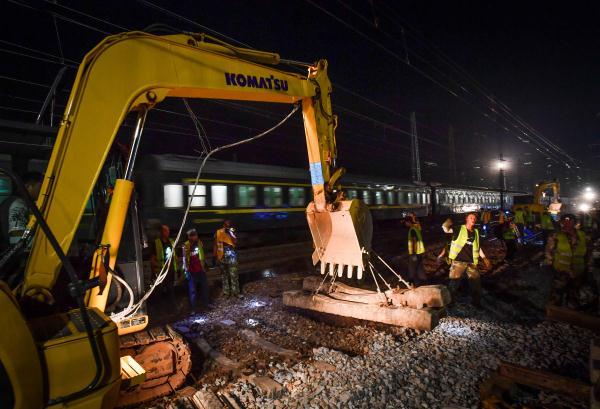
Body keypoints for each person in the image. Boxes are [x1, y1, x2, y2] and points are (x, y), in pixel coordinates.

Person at [447, 213, 492, 307]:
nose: (473, 219)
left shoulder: (476, 232)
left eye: (475, 218)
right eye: (471, 217)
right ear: (466, 219)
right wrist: (447, 223)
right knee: (454, 284)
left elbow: (477, 247)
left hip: (471, 262)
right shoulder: (459, 229)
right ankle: (449, 303)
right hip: (458, 261)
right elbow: (446, 230)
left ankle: (476, 303)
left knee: (476, 284)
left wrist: (484, 258)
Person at [543, 214, 588, 306]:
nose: (567, 224)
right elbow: (549, 251)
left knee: (575, 299)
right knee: (556, 298)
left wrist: (588, 267)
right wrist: (549, 264)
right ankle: (553, 316)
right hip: (561, 272)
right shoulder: (555, 235)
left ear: (575, 223)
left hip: (578, 272)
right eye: (564, 222)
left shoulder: (583, 235)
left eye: (570, 221)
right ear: (561, 223)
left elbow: (588, 252)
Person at [1, 171, 43, 252]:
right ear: (28, 186)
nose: (42, 190)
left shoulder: (15, 202)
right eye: (40, 186)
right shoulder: (18, 205)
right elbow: (17, 239)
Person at [150, 224, 179, 302]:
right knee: (159, 291)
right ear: (161, 232)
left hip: (171, 271)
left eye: (168, 230)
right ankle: (159, 308)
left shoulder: (172, 241)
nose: (168, 232)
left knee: (171, 290)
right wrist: (153, 272)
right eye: (165, 231)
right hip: (161, 272)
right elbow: (152, 259)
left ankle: (172, 307)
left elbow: (174, 256)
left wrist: (177, 269)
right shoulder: (156, 243)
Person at [182, 228, 209, 310]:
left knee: (205, 288)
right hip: (192, 272)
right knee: (192, 291)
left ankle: (206, 305)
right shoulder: (185, 245)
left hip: (200, 270)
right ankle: (193, 309)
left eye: (196, 235)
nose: (196, 237)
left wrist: (204, 266)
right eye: (194, 235)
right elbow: (184, 259)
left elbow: (202, 255)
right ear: (190, 237)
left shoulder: (199, 243)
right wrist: (186, 270)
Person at [214, 220, 241, 298]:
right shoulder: (218, 232)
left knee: (234, 274)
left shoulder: (232, 232)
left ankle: (236, 292)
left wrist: (230, 233)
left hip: (231, 255)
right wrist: (214, 256)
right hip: (221, 255)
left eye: (229, 225)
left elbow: (235, 242)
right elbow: (215, 244)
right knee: (224, 275)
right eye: (226, 225)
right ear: (223, 225)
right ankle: (226, 292)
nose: (227, 227)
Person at [405, 215, 427, 285]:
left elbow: (414, 241)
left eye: (406, 222)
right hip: (420, 252)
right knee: (419, 267)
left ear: (408, 222)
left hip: (415, 252)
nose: (405, 224)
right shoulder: (416, 227)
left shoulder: (412, 230)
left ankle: (411, 282)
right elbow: (418, 225)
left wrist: (413, 254)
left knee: (412, 268)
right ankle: (424, 281)